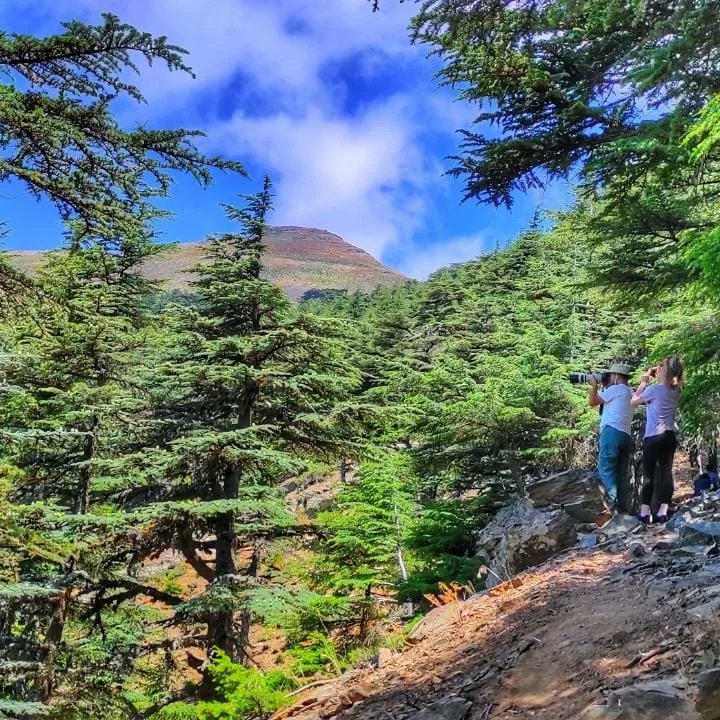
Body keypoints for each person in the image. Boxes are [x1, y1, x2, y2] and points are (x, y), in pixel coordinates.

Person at [631, 356, 684, 523]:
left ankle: (645, 511)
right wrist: (661, 372)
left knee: (649, 474)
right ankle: (663, 511)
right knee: (666, 472)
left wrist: (644, 381)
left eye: (660, 367)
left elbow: (633, 400)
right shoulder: (676, 390)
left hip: (653, 435)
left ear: (664, 371)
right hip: (669, 435)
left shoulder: (654, 389)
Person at [588, 363, 634, 513]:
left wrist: (594, 385)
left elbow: (592, 402)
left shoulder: (615, 389)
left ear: (618, 376)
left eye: (611, 375)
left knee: (606, 470)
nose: (608, 377)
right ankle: (622, 508)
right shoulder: (630, 392)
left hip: (611, 432)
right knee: (621, 473)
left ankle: (608, 508)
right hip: (626, 435)